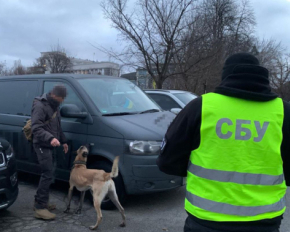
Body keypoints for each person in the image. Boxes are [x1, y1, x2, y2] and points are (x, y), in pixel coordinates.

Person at [157, 53, 290, 232]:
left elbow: (168, 162)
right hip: (264, 222)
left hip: (206, 221)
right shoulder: (283, 112)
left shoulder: (200, 107)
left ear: (226, 76)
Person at [31, 85, 69, 220]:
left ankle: (41, 201)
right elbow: (36, 127)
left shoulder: (54, 105)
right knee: (47, 174)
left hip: (50, 144)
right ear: (54, 95)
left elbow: (57, 126)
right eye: (61, 97)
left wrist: (63, 141)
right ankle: (40, 208)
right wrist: (50, 138)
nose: (63, 100)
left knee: (50, 173)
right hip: (41, 144)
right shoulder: (40, 106)